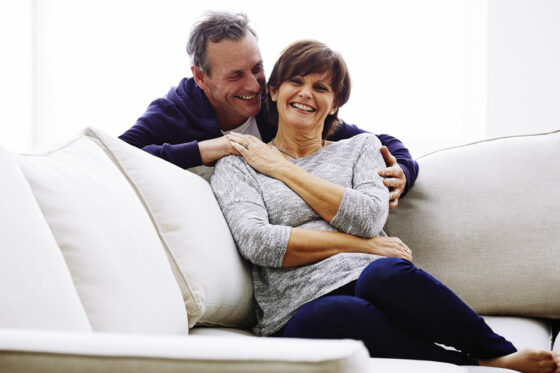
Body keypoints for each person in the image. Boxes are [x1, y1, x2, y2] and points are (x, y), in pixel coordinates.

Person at [210, 40, 559, 372]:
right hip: (298, 306)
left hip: (370, 276)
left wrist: (282, 168)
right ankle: (474, 365)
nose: (306, 94)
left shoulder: (361, 148)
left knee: (385, 273)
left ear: (334, 104)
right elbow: (258, 242)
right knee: (333, 314)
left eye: (321, 88)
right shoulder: (240, 163)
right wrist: (361, 245)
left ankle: (499, 352)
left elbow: (368, 216)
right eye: (296, 81)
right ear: (273, 90)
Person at [118, 11, 418, 208]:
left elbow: (379, 143)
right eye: (236, 75)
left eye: (257, 68)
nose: (254, 85)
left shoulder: (278, 105)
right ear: (200, 77)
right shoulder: (172, 111)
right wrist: (209, 149)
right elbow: (111, 158)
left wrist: (402, 171)